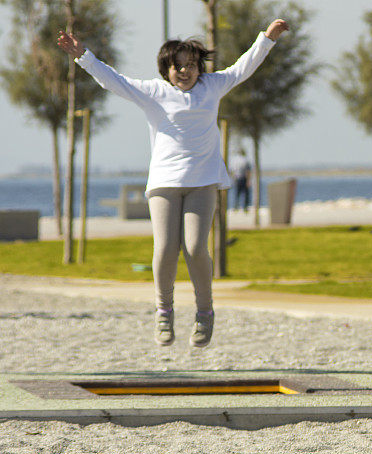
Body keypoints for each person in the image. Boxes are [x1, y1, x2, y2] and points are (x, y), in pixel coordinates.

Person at [57, 19, 289, 348]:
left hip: (203, 182)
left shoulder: (213, 86)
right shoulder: (154, 92)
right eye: (177, 66)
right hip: (165, 183)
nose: (184, 71)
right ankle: (164, 312)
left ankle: (204, 312)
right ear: (166, 69)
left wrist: (266, 39)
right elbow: (113, 81)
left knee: (195, 248)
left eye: (191, 65)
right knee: (166, 249)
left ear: (199, 68)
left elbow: (242, 67)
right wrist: (83, 56)